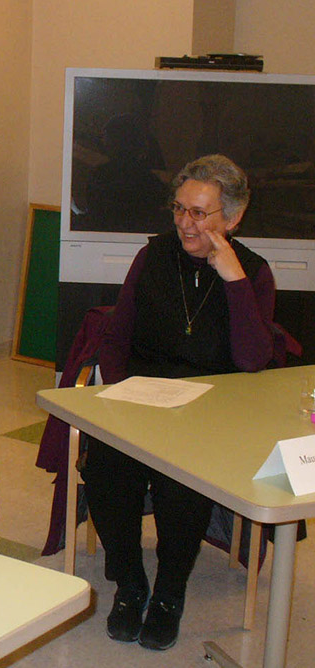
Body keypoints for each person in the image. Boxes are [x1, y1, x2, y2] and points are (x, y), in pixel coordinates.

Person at [82, 154, 276, 650]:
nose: (185, 224)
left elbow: (254, 360)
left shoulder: (253, 273)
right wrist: (122, 398)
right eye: (179, 209)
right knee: (106, 464)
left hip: (210, 412)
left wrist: (232, 279)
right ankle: (130, 581)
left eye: (200, 214)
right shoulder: (152, 256)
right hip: (140, 400)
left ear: (231, 219)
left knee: (181, 481)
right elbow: (116, 338)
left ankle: (169, 592)